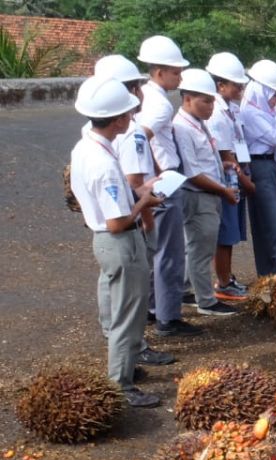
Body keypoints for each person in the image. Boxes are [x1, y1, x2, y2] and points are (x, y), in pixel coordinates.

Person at [70, 77, 164, 407]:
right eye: (128, 112)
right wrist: (144, 203)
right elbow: (117, 221)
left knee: (115, 307)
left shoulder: (84, 147)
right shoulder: (105, 164)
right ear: (119, 119)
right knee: (129, 313)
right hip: (120, 240)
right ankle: (121, 384)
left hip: (104, 239)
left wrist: (135, 193)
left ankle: (121, 371)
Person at [92, 54, 176, 370]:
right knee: (132, 296)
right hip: (127, 224)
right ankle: (133, 348)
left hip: (103, 226)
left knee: (110, 286)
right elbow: (134, 183)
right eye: (137, 87)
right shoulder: (131, 130)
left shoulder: (91, 135)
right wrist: (148, 220)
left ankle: (118, 341)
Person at [136, 34, 203, 337]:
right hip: (165, 178)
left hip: (157, 176)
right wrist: (154, 172)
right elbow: (139, 139)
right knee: (170, 250)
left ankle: (154, 308)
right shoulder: (160, 105)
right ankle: (168, 316)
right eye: (175, 72)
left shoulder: (145, 96)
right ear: (159, 72)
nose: (180, 77)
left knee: (157, 248)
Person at [174, 69, 240, 317]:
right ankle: (206, 300)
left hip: (209, 192)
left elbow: (203, 162)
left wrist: (222, 166)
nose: (211, 106)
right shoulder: (182, 128)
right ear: (188, 98)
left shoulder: (198, 124)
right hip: (199, 195)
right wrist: (223, 189)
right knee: (201, 250)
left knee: (197, 247)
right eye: (206, 100)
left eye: (212, 100)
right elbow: (192, 172)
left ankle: (190, 291)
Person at [206, 52, 254, 301]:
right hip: (226, 180)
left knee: (230, 232)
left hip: (233, 178)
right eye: (236, 84)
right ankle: (223, 282)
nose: (241, 88)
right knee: (225, 234)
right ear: (220, 85)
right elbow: (226, 153)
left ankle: (226, 278)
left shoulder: (230, 109)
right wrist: (247, 182)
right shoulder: (216, 114)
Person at [241, 59, 276, 276]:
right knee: (272, 225)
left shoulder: (263, 110)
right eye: (275, 94)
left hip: (271, 164)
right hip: (260, 165)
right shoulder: (251, 111)